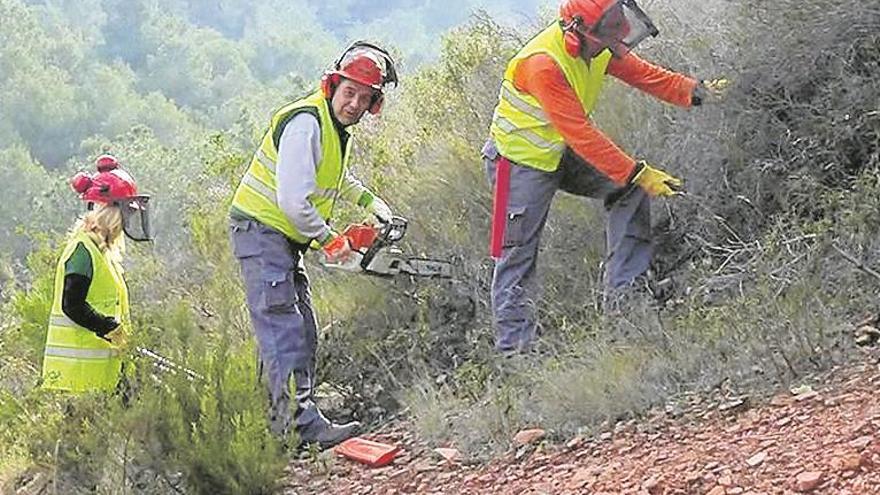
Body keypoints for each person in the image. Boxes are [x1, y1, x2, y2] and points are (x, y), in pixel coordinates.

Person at [484, 0, 728, 353]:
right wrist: (639, 172)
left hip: (558, 150)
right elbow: (580, 134)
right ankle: (515, 354)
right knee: (515, 254)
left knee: (627, 189)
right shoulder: (543, 65)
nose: (623, 32)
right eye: (614, 24)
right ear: (582, 31)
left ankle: (626, 304)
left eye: (620, 21)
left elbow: (646, 75)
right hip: (515, 165)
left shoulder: (600, 46)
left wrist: (699, 92)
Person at [229, 41, 398, 448]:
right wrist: (329, 240)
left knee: (301, 328)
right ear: (333, 86)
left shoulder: (333, 130)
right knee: (283, 329)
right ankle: (297, 431)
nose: (354, 103)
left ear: (373, 103)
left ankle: (287, 420)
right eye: (349, 92)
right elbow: (292, 200)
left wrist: (370, 202)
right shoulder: (306, 123)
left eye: (364, 97)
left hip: (282, 239)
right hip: (263, 231)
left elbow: (332, 177)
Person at [42, 154, 153, 392]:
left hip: (102, 376)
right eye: (127, 212)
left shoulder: (101, 251)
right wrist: (109, 327)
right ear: (112, 213)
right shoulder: (83, 251)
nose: (129, 219)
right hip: (80, 379)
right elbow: (72, 305)